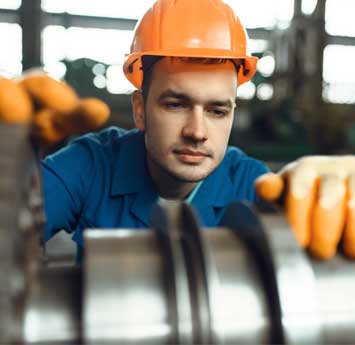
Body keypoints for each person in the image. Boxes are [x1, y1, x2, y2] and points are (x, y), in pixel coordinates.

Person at [42, 0, 355, 261]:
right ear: (140, 108)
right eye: (176, 105)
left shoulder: (251, 186)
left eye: (217, 111)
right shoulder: (91, 165)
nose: (197, 132)